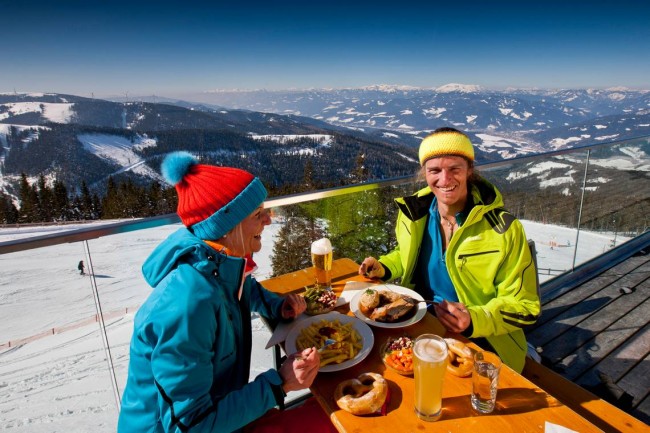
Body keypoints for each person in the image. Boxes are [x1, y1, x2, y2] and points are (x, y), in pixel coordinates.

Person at [118, 151, 328, 433]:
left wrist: (277, 305)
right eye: (258, 214)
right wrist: (280, 383)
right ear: (227, 228)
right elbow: (191, 425)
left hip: (220, 413)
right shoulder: (187, 305)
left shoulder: (214, 263)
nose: (268, 220)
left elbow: (241, 289)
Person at [358, 127, 540, 373]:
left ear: (469, 171)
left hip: (480, 340)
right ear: (425, 173)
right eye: (435, 170)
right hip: (421, 325)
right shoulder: (415, 214)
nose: (444, 180)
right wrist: (386, 266)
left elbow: (526, 307)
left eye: (454, 168)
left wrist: (474, 319)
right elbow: (408, 254)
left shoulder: (503, 230)